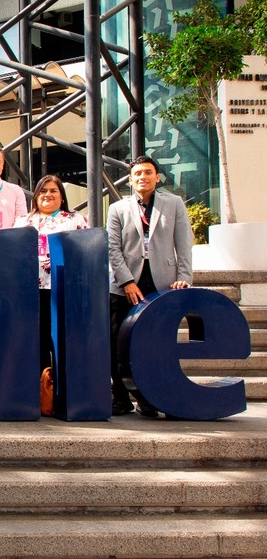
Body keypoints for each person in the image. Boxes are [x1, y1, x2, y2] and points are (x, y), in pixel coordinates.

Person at [108, 156, 193, 417]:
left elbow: (184, 243)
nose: (142, 177)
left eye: (147, 172)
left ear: (157, 177)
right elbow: (113, 248)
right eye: (137, 174)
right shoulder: (118, 208)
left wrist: (184, 277)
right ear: (130, 180)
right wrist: (127, 281)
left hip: (162, 282)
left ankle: (151, 398)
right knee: (117, 343)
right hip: (124, 285)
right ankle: (121, 397)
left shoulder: (173, 203)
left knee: (156, 343)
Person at [14, 175, 89, 372]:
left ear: (62, 197)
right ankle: (43, 382)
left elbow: (85, 253)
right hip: (31, 290)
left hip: (64, 288)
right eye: (43, 191)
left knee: (62, 336)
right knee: (37, 338)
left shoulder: (76, 220)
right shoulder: (23, 222)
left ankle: (62, 382)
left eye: (53, 190)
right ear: (36, 197)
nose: (48, 194)